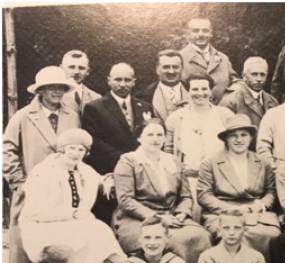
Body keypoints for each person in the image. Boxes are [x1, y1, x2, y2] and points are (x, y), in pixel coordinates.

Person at [19, 129, 126, 263]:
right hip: (42, 228)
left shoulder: (83, 170)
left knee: (97, 237)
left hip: (74, 226)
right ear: (62, 148)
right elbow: (35, 212)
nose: (75, 154)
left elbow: (99, 179)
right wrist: (72, 214)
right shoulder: (43, 171)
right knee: (97, 233)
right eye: (71, 148)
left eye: (81, 149)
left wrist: (108, 180)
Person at [3, 66, 80, 263]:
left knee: (59, 244)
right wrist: (19, 182)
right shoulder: (23, 117)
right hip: (32, 191)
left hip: (63, 190)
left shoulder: (72, 116)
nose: (56, 92)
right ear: (40, 91)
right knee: (31, 246)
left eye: (60, 87)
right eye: (51, 88)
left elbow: (79, 147)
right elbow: (6, 150)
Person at [112, 119, 212, 263]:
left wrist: (181, 212)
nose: (155, 139)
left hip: (171, 217)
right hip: (135, 219)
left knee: (202, 235)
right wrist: (157, 218)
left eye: (160, 135)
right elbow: (126, 200)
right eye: (150, 134)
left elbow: (186, 196)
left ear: (165, 138)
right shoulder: (129, 162)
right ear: (139, 138)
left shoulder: (173, 161)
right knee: (174, 239)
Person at [197, 115, 281, 259]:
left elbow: (271, 191)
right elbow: (204, 195)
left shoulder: (262, 162)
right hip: (222, 212)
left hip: (256, 212)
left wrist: (260, 205)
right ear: (226, 140)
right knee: (231, 234)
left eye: (244, 135)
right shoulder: (211, 163)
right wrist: (230, 210)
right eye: (233, 136)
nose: (239, 140)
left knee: (270, 234)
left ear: (251, 138)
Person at [82, 62, 155, 224]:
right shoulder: (95, 108)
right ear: (109, 81)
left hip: (139, 171)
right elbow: (94, 141)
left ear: (134, 81)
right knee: (109, 217)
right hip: (109, 170)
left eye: (127, 80)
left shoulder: (144, 106)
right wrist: (125, 159)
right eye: (118, 79)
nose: (123, 84)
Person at [165, 73, 235, 221]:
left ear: (210, 91)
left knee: (220, 221)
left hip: (220, 181)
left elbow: (234, 147)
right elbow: (169, 154)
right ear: (188, 91)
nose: (200, 93)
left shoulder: (225, 115)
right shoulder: (176, 118)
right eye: (195, 89)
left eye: (204, 88)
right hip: (189, 182)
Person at [178, 18, 240, 105]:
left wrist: (229, 98)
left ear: (211, 33)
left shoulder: (223, 58)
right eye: (196, 31)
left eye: (205, 30)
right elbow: (174, 87)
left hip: (221, 111)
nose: (201, 34)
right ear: (189, 34)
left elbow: (236, 82)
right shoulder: (179, 58)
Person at [219, 57, 279, 130]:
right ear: (244, 75)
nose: (259, 79)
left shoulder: (273, 101)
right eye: (254, 74)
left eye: (262, 74)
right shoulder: (231, 101)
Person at [134, 49, 190, 123]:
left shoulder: (195, 91)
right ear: (157, 69)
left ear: (182, 68)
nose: (171, 71)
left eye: (175, 67)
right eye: (166, 67)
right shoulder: (142, 96)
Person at [60, 50, 102, 116]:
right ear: (61, 68)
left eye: (81, 68)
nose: (76, 72)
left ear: (88, 71)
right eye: (71, 67)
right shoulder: (53, 96)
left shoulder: (96, 98)